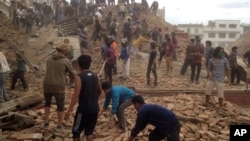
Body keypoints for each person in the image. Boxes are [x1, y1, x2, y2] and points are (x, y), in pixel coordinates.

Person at [64, 55, 102, 141]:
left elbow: (76, 94)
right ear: (90, 64)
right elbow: (100, 90)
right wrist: (94, 99)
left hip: (83, 110)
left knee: (76, 131)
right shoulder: (95, 76)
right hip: (95, 109)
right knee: (89, 132)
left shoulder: (79, 77)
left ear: (79, 65)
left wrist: (69, 110)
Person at [43, 43, 76, 130]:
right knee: (60, 105)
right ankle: (59, 124)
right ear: (65, 51)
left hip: (47, 84)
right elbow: (73, 74)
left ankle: (46, 122)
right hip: (58, 86)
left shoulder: (49, 59)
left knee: (47, 103)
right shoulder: (66, 61)